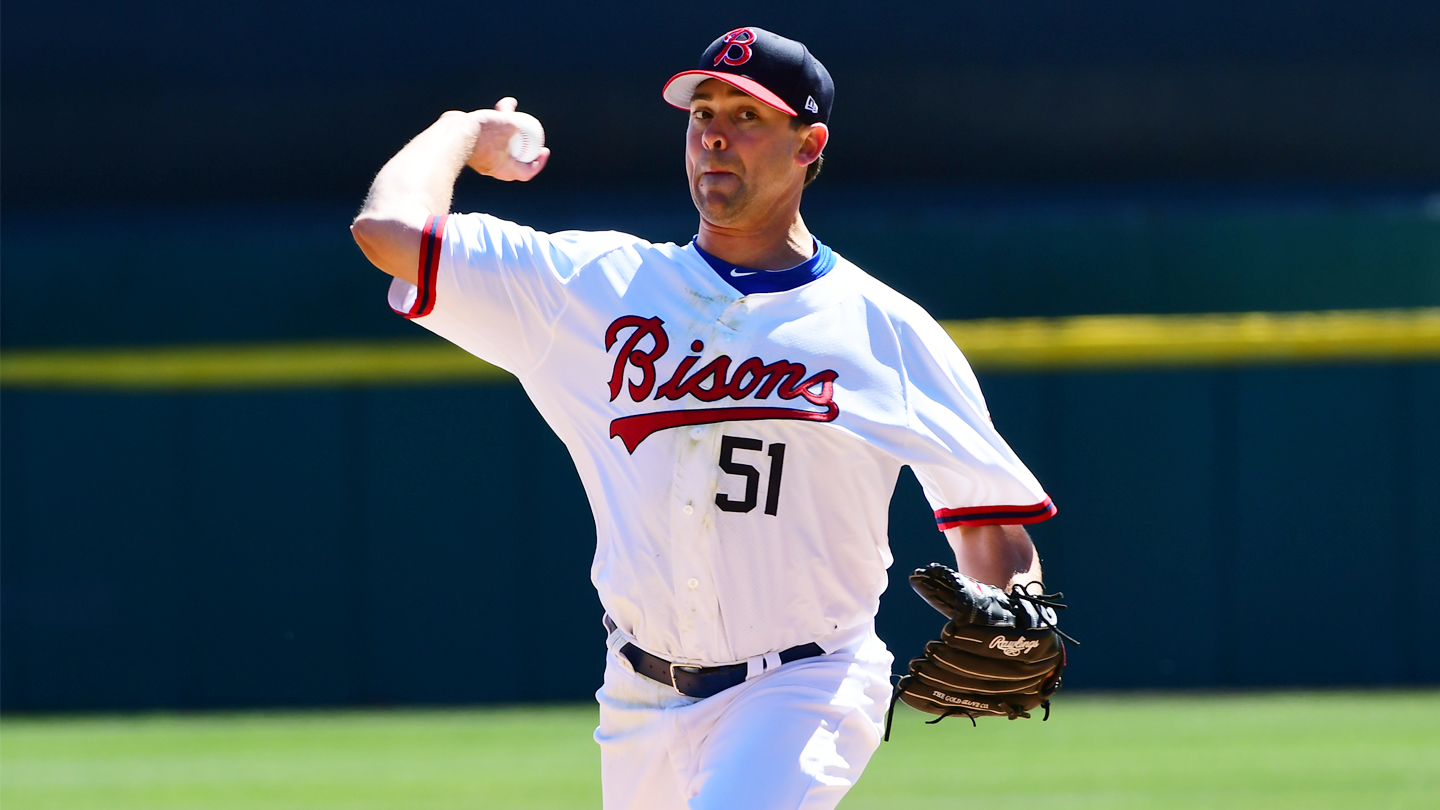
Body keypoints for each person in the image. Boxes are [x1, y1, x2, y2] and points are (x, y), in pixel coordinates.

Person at [351, 26, 1056, 810]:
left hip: (804, 684)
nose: (714, 133)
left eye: (747, 115)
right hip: (636, 695)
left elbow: (990, 526)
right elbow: (386, 233)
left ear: (808, 143)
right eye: (702, 113)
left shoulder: (884, 330)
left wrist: (1016, 611)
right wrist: (460, 130)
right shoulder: (591, 289)